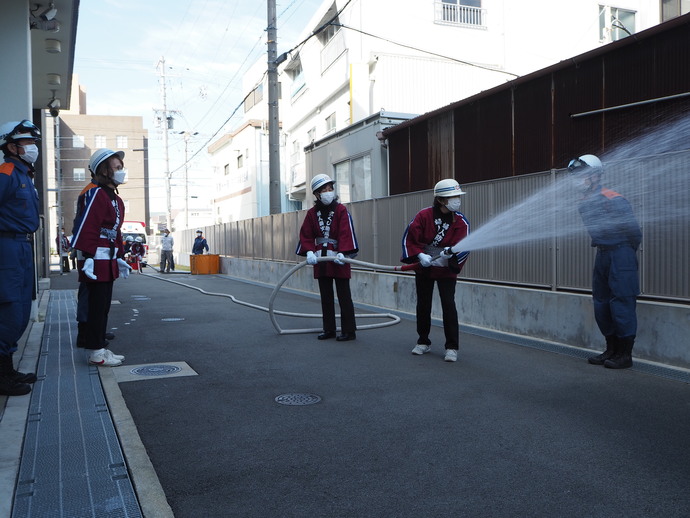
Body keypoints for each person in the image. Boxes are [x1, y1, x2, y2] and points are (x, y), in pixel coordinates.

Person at [568, 154, 642, 369]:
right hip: (602, 254)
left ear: (595, 176)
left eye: (581, 175)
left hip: (621, 253)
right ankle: (611, 348)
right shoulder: (584, 203)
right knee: (601, 302)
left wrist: (624, 253)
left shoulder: (613, 198)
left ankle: (624, 354)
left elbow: (634, 232)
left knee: (621, 302)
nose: (577, 180)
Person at [71, 148, 131, 367]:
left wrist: (120, 256)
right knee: (96, 306)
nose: (120, 171)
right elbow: (86, 225)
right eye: (116, 167)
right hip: (95, 261)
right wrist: (87, 256)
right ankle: (95, 352)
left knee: (103, 305)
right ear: (103, 170)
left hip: (107, 260)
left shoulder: (114, 198)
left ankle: (100, 347)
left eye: (120, 168)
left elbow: (114, 231)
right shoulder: (96, 193)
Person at [401, 179, 470, 362]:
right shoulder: (423, 216)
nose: (457, 200)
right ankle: (423, 341)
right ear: (441, 200)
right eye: (453, 196)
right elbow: (410, 239)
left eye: (457, 196)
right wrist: (419, 256)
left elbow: (464, 245)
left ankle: (452, 347)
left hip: (446, 269)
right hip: (424, 267)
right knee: (423, 304)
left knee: (449, 305)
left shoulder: (461, 221)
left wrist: (451, 256)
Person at [0, 120, 42, 396]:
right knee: (9, 310)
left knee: (22, 311)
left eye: (33, 143)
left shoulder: (24, 174)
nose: (32, 148)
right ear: (12, 146)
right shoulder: (6, 172)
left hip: (23, 247)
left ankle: (8, 370)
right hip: (8, 247)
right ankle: (2, 379)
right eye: (27, 143)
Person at [296, 174, 359, 341]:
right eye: (324, 190)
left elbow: (347, 232)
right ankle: (329, 329)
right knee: (326, 296)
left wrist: (344, 253)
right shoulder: (311, 213)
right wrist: (309, 251)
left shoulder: (341, 210)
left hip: (339, 256)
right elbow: (306, 234)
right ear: (317, 194)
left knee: (344, 295)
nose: (328, 192)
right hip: (321, 257)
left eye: (330, 189)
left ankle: (349, 330)